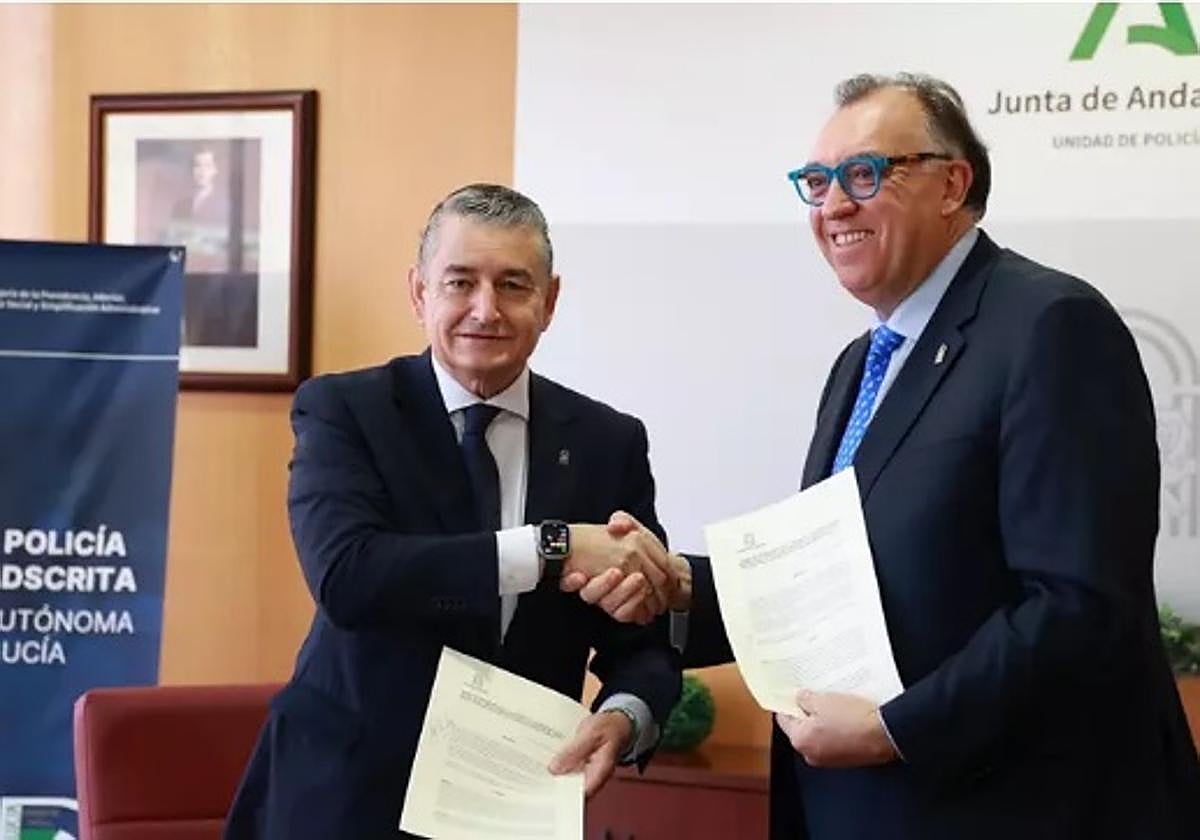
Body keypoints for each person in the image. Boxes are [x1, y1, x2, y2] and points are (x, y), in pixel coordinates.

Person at [565, 73, 1200, 839]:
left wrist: (897, 729)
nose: (833, 205)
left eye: (864, 174)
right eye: (817, 182)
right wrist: (678, 587)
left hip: (1012, 810)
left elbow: (1079, 606)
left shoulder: (1051, 326)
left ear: (952, 184)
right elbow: (830, 586)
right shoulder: (859, 364)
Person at [224, 184, 680, 839]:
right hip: (345, 801)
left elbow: (643, 635)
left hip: (511, 804)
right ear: (419, 294)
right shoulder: (345, 410)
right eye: (460, 282)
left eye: (513, 285)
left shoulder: (608, 442)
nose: (485, 310)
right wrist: (550, 549)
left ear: (550, 302)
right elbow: (348, 577)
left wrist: (626, 714)